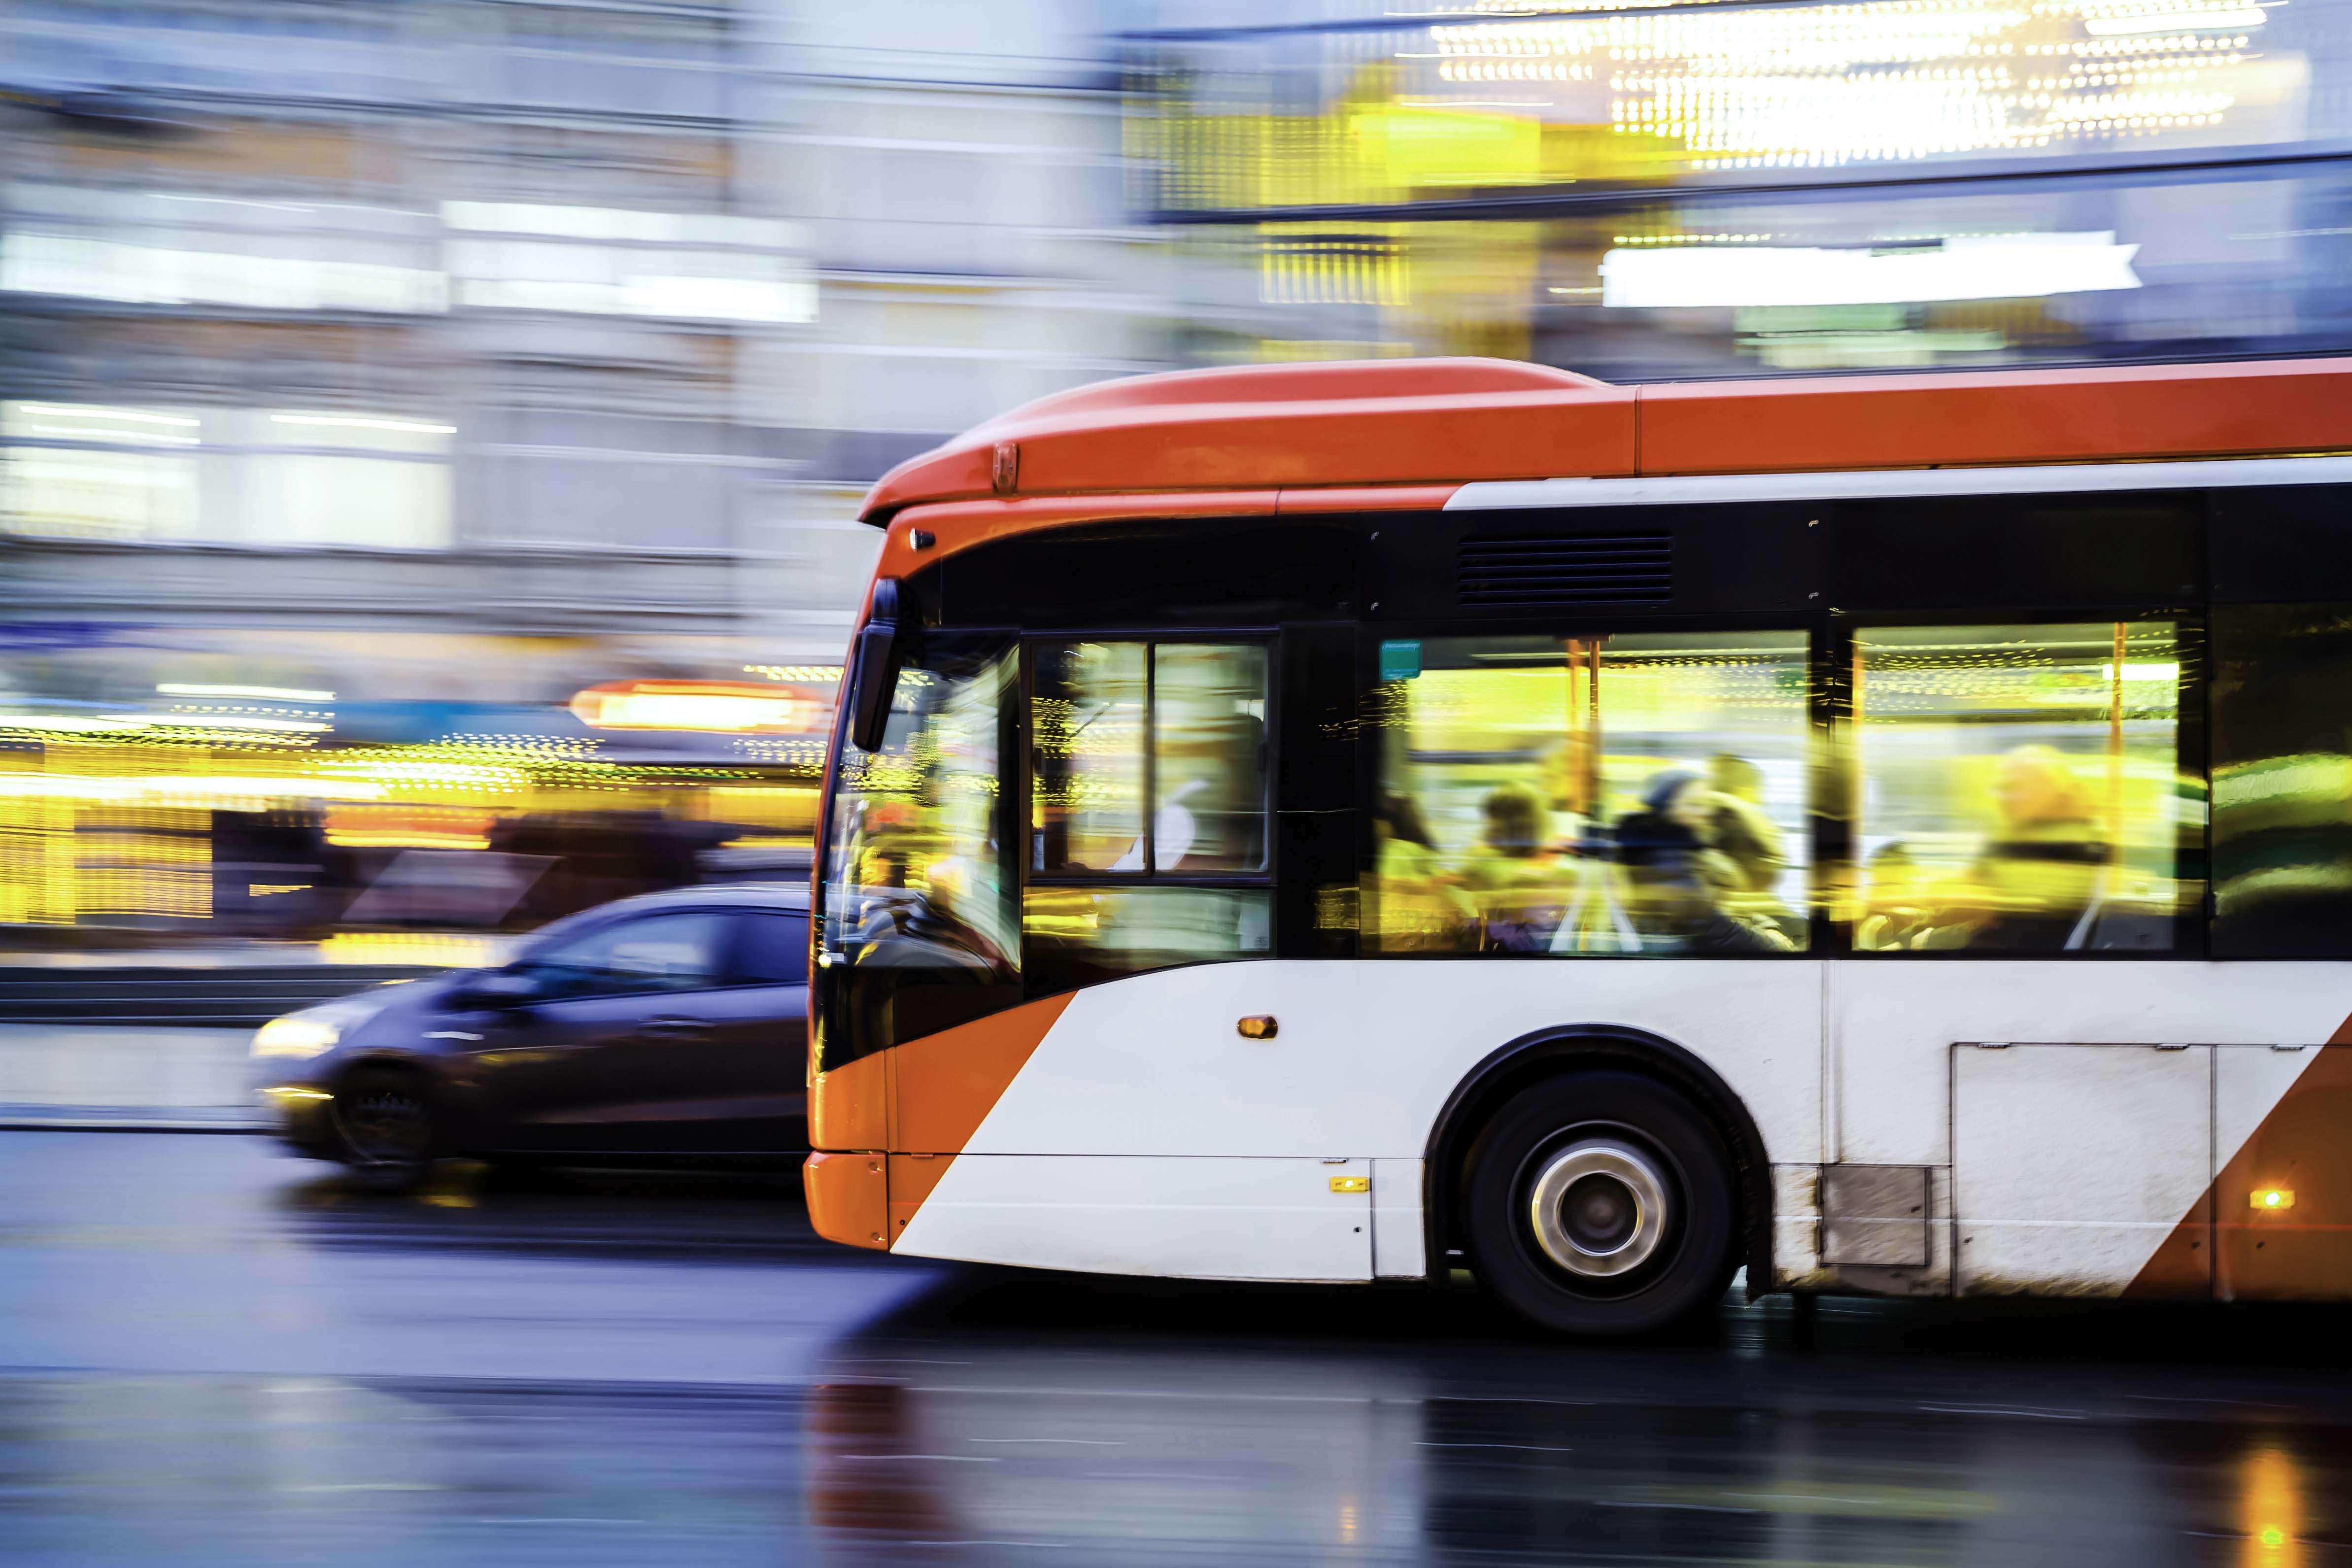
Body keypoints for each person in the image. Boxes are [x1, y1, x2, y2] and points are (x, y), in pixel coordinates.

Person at [1614, 770, 1792, 954]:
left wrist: (1764, 925)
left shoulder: (1680, 852)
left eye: (1705, 804)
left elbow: (1712, 916)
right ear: (1667, 810)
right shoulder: (1665, 858)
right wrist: (1773, 944)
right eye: (1694, 805)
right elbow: (1712, 931)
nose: (1706, 812)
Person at [1956, 745, 2108, 949]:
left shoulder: (2074, 841)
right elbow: (1974, 880)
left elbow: (2022, 916)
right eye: (2002, 788)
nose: (2003, 797)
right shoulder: (2012, 828)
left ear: (2047, 787)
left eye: (2014, 788)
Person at [1456, 783, 1568, 953]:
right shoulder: (1503, 866)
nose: (1490, 827)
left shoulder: (1539, 876)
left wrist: (1473, 926)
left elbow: (1532, 943)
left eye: (1497, 820)